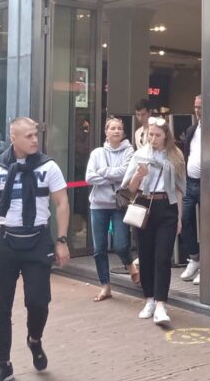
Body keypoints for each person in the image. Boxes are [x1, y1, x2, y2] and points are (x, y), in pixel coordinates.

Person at [0, 117, 69, 381]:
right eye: (28, 136)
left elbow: (61, 203)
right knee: (1, 308)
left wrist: (62, 240)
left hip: (37, 241)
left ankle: (34, 339)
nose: (35, 140)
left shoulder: (49, 167)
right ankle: (4, 364)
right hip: (4, 243)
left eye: (36, 135)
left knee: (39, 302)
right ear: (13, 138)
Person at [122, 115, 186, 326]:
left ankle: (161, 304)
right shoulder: (140, 154)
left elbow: (178, 189)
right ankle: (149, 299)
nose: (154, 138)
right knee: (146, 255)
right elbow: (129, 189)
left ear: (166, 135)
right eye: (151, 134)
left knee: (163, 256)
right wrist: (139, 176)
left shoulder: (175, 156)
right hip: (144, 204)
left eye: (158, 135)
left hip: (166, 206)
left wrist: (179, 217)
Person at [85, 117, 135, 302]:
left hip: (118, 205)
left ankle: (129, 264)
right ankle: (105, 286)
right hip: (98, 205)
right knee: (99, 249)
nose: (116, 131)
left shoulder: (129, 151)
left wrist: (103, 172)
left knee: (121, 244)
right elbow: (89, 177)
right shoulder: (97, 153)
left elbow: (125, 175)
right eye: (112, 128)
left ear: (123, 132)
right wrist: (112, 177)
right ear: (106, 132)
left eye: (119, 128)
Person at [177, 95, 203, 284]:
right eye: (195, 106)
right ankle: (195, 258)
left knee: (209, 226)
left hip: (207, 184)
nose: (197, 110)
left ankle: (208, 266)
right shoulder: (193, 129)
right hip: (190, 182)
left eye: (200, 107)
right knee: (184, 219)